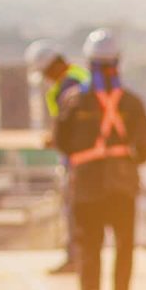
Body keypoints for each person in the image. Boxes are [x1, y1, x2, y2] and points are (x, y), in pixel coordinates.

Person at [52, 29, 146, 290]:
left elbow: (61, 141)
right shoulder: (131, 102)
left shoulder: (74, 100)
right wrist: (128, 160)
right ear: (118, 61)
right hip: (122, 184)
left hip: (86, 185)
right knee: (124, 248)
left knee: (88, 246)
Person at [26, 38, 89, 275]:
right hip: (86, 157)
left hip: (76, 159)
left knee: (74, 210)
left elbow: (69, 127)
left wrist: (55, 139)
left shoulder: (68, 86)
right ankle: (80, 257)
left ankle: (75, 257)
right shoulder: (81, 77)